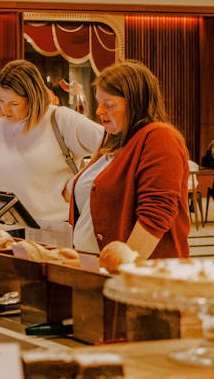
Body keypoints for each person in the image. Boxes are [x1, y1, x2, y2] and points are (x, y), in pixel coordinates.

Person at [70, 60, 190, 260]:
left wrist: (121, 269)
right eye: (98, 102)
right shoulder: (114, 140)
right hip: (95, 268)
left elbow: (155, 215)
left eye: (109, 105)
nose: (99, 111)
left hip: (141, 277)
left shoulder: (160, 137)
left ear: (135, 103)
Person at [0, 60, 104, 223]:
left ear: (33, 98)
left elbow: (115, 146)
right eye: (1, 101)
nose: (6, 110)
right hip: (4, 230)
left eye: (14, 103)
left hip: (54, 229)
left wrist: (78, 183)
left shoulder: (59, 119)